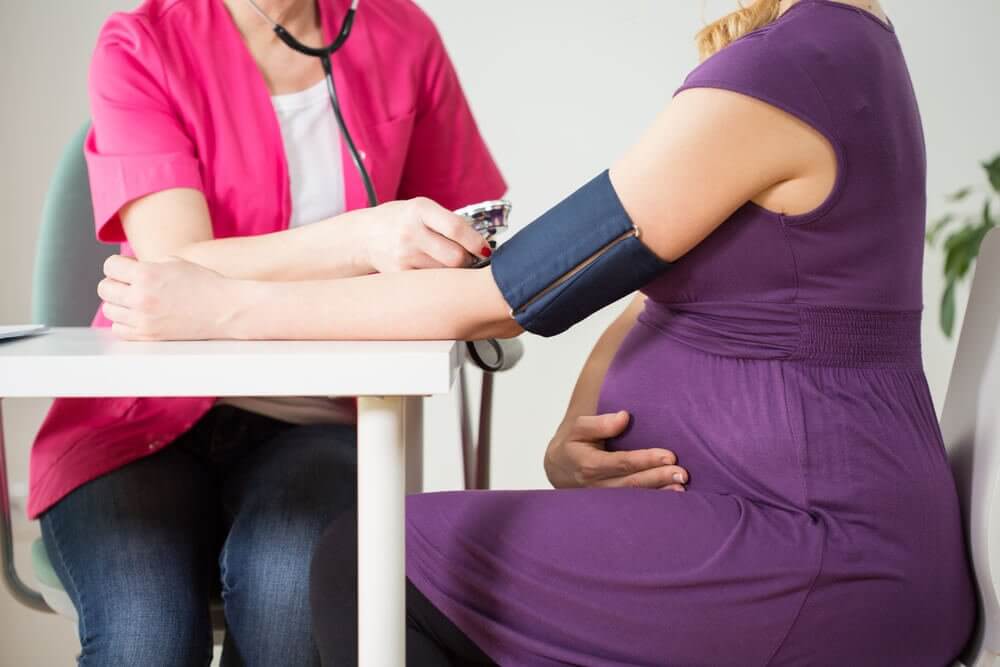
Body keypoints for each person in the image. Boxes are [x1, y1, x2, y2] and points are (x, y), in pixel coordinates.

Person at [97, 0, 977, 664]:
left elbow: (511, 291)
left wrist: (233, 309)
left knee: (366, 562)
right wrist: (571, 431)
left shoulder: (787, 68)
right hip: (816, 529)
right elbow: (646, 284)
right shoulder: (831, 48)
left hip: (816, 547)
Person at [29, 0, 510, 665]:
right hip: (134, 427)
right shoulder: (140, 43)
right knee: (147, 637)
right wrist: (365, 239)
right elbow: (174, 263)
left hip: (320, 423)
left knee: (287, 591)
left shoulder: (402, 36)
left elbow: (471, 250)